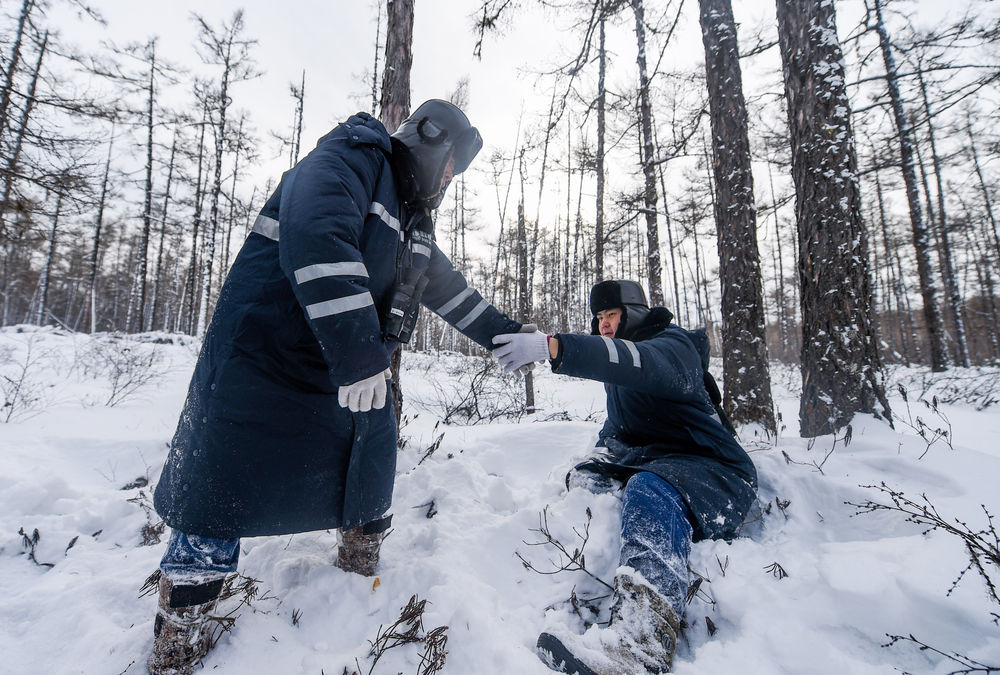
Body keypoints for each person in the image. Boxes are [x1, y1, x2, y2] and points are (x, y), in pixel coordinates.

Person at [147, 100, 524, 675]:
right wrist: (359, 354)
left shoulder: (412, 224)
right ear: (428, 141)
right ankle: (183, 626)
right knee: (222, 480)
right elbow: (318, 236)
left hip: (342, 361)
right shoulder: (352, 158)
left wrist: (509, 336)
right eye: (450, 163)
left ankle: (358, 563)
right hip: (266, 353)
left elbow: (450, 292)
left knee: (371, 451)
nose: (450, 178)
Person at [492, 280, 758, 674]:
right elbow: (620, 428)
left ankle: (642, 644)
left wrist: (554, 347)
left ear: (633, 313)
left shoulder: (673, 347)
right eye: (599, 316)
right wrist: (598, 458)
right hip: (663, 465)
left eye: (611, 314)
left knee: (649, 489)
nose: (603, 323)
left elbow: (638, 361)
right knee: (588, 480)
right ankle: (587, 592)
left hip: (716, 472)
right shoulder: (621, 374)